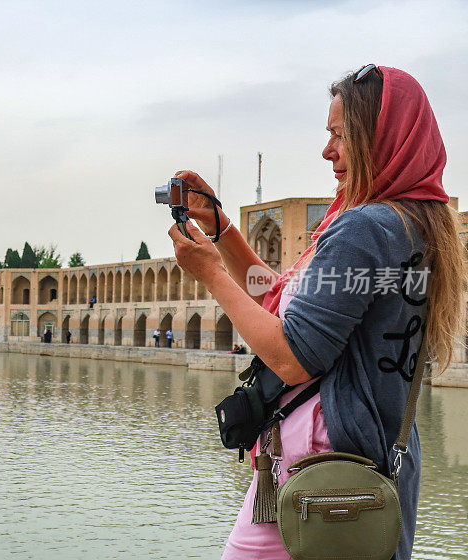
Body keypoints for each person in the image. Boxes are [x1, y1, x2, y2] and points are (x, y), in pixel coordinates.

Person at [168, 65, 464, 560]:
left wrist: (212, 274)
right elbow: (281, 298)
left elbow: (291, 357)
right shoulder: (416, 225)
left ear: (380, 136)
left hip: (323, 467)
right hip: (378, 455)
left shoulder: (363, 229)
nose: (328, 151)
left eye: (340, 136)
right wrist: (223, 228)